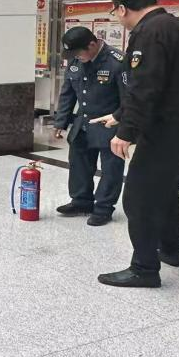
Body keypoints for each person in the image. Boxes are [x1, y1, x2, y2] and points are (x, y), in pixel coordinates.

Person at [93, 0, 179, 288]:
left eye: (114, 11)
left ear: (122, 8)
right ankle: (170, 249)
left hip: (167, 129)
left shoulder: (148, 32)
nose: (116, 16)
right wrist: (119, 115)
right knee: (165, 189)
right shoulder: (176, 27)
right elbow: (163, 83)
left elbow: (145, 87)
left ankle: (144, 269)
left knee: (139, 197)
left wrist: (125, 132)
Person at [53, 26, 128, 227]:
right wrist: (61, 121)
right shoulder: (76, 61)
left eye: (79, 53)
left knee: (111, 169)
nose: (76, 57)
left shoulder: (117, 61)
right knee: (78, 164)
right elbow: (67, 93)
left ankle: (103, 208)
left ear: (92, 44)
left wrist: (124, 128)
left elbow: (129, 99)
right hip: (83, 123)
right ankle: (81, 201)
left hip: (110, 124)